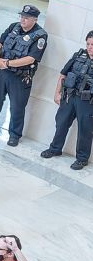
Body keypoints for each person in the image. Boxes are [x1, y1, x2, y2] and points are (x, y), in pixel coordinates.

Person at [0, 5, 48, 147]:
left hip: (21, 77)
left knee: (17, 107)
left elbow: (31, 58)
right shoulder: (13, 27)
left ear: (35, 19)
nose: (23, 19)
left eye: (26, 18)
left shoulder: (41, 36)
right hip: (4, 72)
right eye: (22, 16)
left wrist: (8, 63)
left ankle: (14, 134)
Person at [42, 30, 93, 171]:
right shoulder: (78, 56)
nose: (90, 47)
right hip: (69, 97)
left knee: (85, 130)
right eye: (88, 43)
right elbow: (63, 74)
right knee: (61, 123)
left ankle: (82, 159)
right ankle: (55, 149)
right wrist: (57, 93)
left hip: (88, 103)